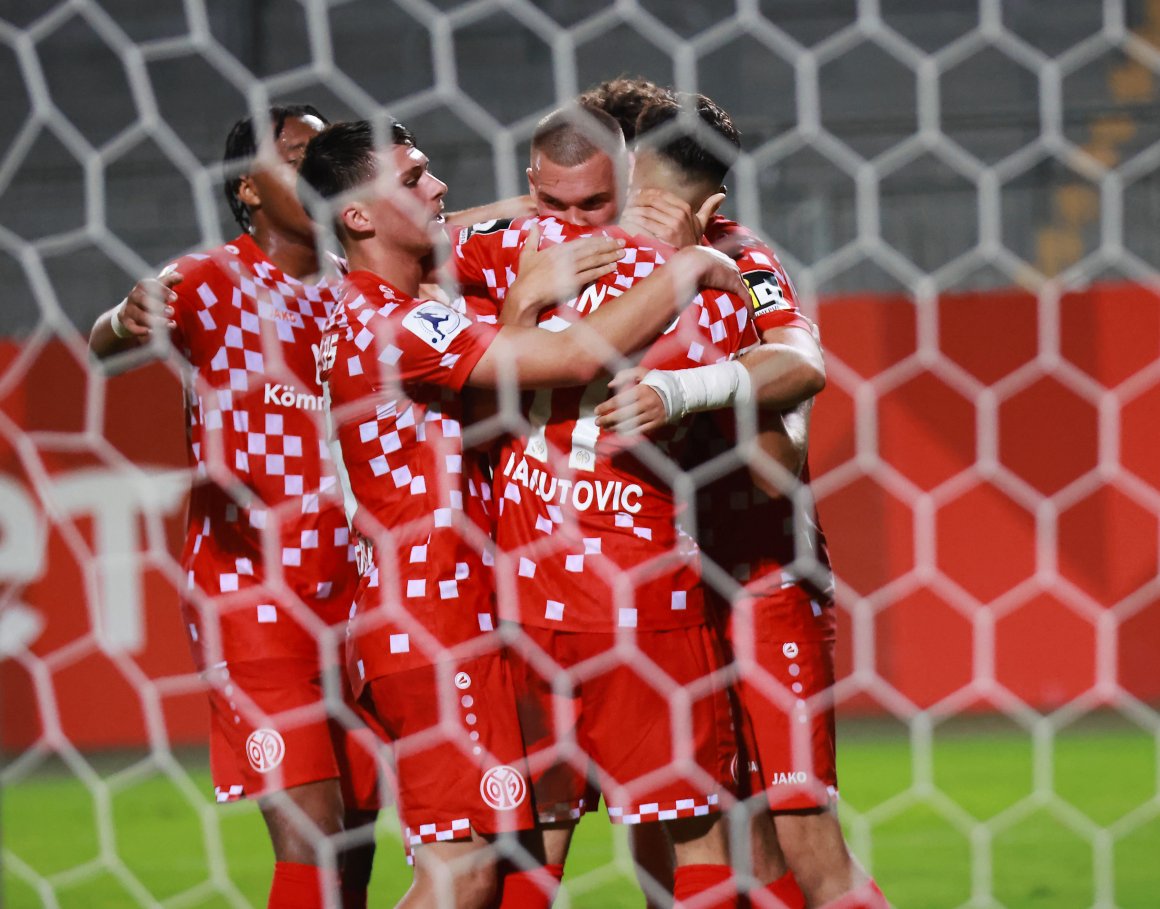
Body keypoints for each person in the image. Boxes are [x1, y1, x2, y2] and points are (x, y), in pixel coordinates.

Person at [297, 117, 748, 909]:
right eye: (411, 179)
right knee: (462, 871)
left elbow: (471, 425)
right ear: (358, 216)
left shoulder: (376, 311)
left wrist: (521, 288)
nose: (438, 189)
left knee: (505, 859)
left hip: (445, 616)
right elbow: (574, 358)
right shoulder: (397, 319)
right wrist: (692, 267)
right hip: (431, 619)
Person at [448, 105, 763, 909]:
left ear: (628, 180)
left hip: (533, 591)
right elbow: (771, 417)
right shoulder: (719, 278)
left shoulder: (497, 259)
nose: (572, 226)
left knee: (543, 839)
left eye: (593, 204)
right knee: (696, 832)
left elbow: (404, 238)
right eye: (555, 207)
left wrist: (518, 273)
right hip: (638, 591)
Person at [595, 93, 889, 909]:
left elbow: (797, 385)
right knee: (683, 827)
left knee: (801, 839)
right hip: (658, 590)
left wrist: (681, 387)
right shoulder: (590, 263)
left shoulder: (738, 263)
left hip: (762, 579)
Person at [89, 106, 381, 909]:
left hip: (357, 591)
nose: (318, 164)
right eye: (297, 155)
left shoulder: (362, 282)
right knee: (314, 836)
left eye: (326, 151)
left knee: (355, 844)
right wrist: (126, 317)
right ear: (249, 190)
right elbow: (105, 342)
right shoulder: (211, 279)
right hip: (251, 589)